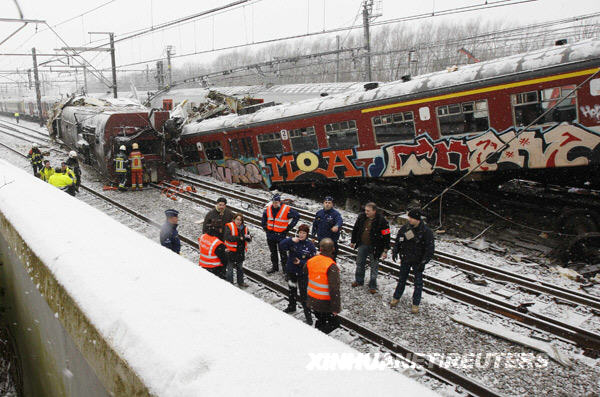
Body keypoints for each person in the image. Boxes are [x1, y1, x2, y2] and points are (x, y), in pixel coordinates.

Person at [390, 209, 434, 314]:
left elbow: (430, 248)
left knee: (418, 283)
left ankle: (416, 304)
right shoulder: (406, 228)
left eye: (411, 218)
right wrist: (396, 250)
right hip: (406, 258)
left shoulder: (426, 232)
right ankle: (396, 297)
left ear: (417, 219)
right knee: (401, 280)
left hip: (418, 261)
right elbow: (399, 239)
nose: (409, 219)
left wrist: (424, 261)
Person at [350, 202, 391, 294]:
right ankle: (359, 280)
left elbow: (387, 236)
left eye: (368, 211)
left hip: (376, 247)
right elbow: (355, 229)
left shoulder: (382, 221)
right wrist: (353, 241)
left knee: (374, 266)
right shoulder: (361, 217)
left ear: (374, 211)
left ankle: (372, 285)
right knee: (360, 263)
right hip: (362, 244)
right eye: (365, 210)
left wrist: (385, 250)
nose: (366, 212)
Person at [279, 224, 316, 324]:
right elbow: (281, 245)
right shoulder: (293, 242)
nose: (301, 235)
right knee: (292, 290)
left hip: (302, 273)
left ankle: (308, 316)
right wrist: (290, 240)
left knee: (304, 295)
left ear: (307, 234)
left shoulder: (310, 246)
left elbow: (312, 262)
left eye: (304, 233)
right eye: (300, 232)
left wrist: (301, 263)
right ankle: (292, 307)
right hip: (291, 272)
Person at [304, 238, 341, 334]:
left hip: (312, 298)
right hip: (324, 303)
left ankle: (317, 333)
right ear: (333, 249)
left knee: (320, 320)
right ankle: (318, 337)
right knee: (334, 323)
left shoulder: (312, 260)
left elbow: (305, 270)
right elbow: (334, 289)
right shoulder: (331, 266)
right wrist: (335, 308)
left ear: (320, 249)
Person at [262, 194, 300, 274]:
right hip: (270, 235)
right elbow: (264, 218)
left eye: (276, 202)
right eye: (274, 202)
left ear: (280, 202)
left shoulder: (286, 209)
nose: (275, 204)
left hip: (281, 235)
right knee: (273, 252)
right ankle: (275, 267)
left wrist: (289, 227)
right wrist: (265, 227)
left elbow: (297, 216)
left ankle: (285, 271)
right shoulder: (268, 209)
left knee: (283, 253)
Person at [223, 213, 251, 287]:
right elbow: (227, 237)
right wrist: (239, 238)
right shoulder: (229, 226)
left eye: (240, 220)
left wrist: (248, 238)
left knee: (240, 268)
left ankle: (240, 282)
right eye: (237, 219)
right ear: (234, 219)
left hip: (240, 251)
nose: (239, 221)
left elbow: (248, 237)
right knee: (230, 268)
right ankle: (230, 283)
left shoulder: (245, 228)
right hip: (231, 250)